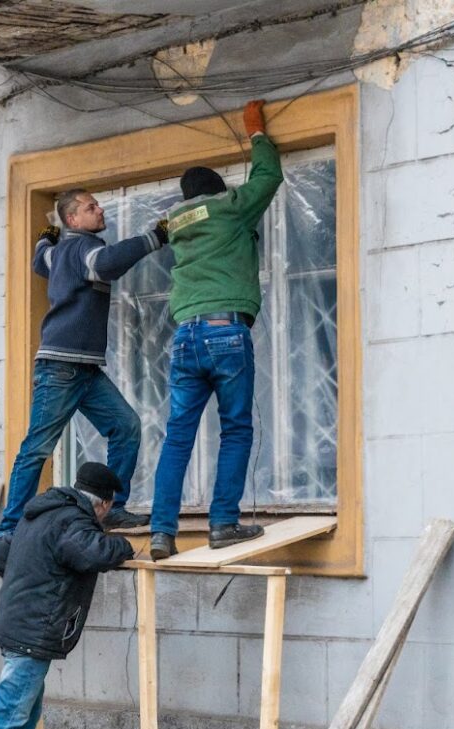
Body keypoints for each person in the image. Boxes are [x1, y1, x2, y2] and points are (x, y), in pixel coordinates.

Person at [147, 100, 284, 561]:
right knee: (236, 430)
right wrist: (258, 136)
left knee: (178, 436)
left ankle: (162, 532)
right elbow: (267, 180)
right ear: (217, 189)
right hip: (226, 331)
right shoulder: (229, 207)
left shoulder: (179, 224)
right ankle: (223, 523)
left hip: (185, 337)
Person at [0, 189, 168, 539]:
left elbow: (39, 260)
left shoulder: (58, 252)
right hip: (61, 367)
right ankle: (9, 530)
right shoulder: (84, 247)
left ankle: (113, 510)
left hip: (84, 370)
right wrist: (156, 237)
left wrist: (44, 239)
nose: (100, 210)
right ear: (73, 219)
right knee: (37, 447)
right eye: (91, 207)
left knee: (126, 426)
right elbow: (106, 263)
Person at [0, 463, 134, 729]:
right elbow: (91, 553)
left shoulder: (41, 513)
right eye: (109, 510)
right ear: (102, 504)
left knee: (23, 715)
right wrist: (124, 546)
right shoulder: (73, 521)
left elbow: (2, 549)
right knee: (9, 715)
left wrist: (25, 585)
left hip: (18, 624)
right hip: (32, 634)